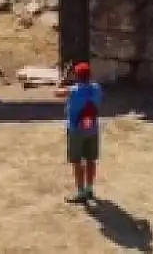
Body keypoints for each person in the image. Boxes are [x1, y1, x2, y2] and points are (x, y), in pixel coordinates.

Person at [56, 61, 103, 203]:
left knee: (77, 162)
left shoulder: (73, 91)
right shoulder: (97, 88)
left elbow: (57, 92)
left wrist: (62, 80)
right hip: (92, 129)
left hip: (76, 130)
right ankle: (89, 189)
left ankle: (81, 192)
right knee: (91, 160)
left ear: (77, 76)